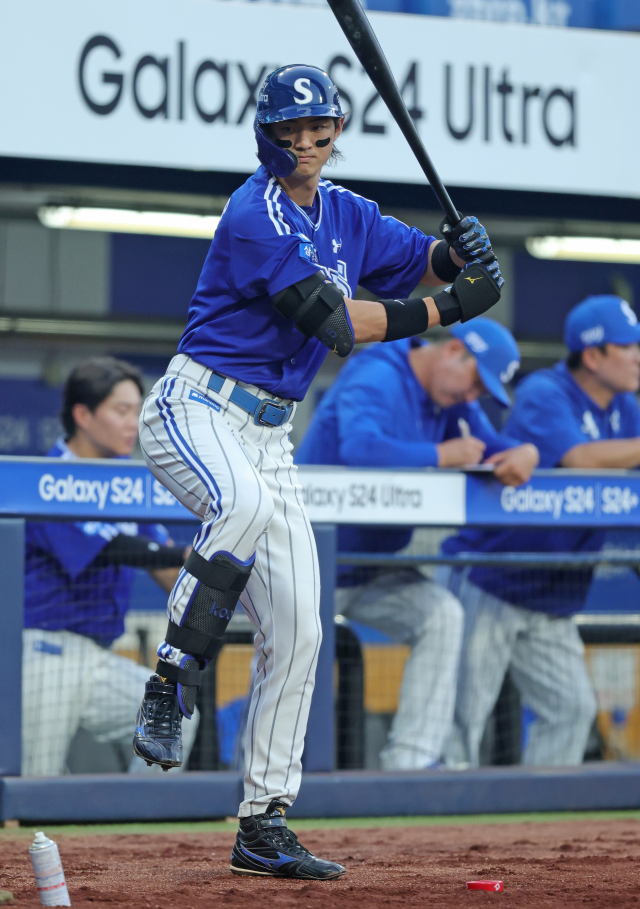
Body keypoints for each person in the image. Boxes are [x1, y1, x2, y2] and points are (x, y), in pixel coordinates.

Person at [132, 63, 504, 880]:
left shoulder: (350, 214)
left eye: (316, 130)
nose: (303, 144)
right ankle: (171, 676)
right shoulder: (254, 210)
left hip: (271, 433)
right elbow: (337, 322)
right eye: (288, 131)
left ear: (336, 130)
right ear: (265, 134)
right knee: (236, 507)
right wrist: (452, 307)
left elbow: (421, 263)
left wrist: (458, 252)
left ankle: (262, 823)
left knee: (301, 627)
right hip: (196, 407)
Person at [297, 318, 538, 769]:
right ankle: (251, 784)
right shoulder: (380, 371)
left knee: (441, 614)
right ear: (453, 351)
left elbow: (491, 445)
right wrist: (442, 456)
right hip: (304, 563)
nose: (473, 397)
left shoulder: (451, 399)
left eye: (482, 393)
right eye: (474, 384)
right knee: (288, 661)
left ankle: (410, 766)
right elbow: (361, 449)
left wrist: (527, 452)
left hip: (366, 567)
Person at [443, 295, 640, 768]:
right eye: (628, 347)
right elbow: (579, 460)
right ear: (593, 356)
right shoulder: (545, 391)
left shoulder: (625, 408)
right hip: (493, 578)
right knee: (461, 717)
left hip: (554, 593)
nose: (637, 357)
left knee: (571, 709)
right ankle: (430, 833)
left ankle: (538, 830)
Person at [22, 357, 194, 777]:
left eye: (137, 411)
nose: (132, 423)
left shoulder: (126, 483)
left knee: (174, 721)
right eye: (121, 411)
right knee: (31, 783)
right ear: (83, 414)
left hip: (100, 657)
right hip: (45, 652)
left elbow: (169, 573)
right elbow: (113, 549)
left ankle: (139, 833)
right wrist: (183, 556)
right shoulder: (48, 476)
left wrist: (217, 579)